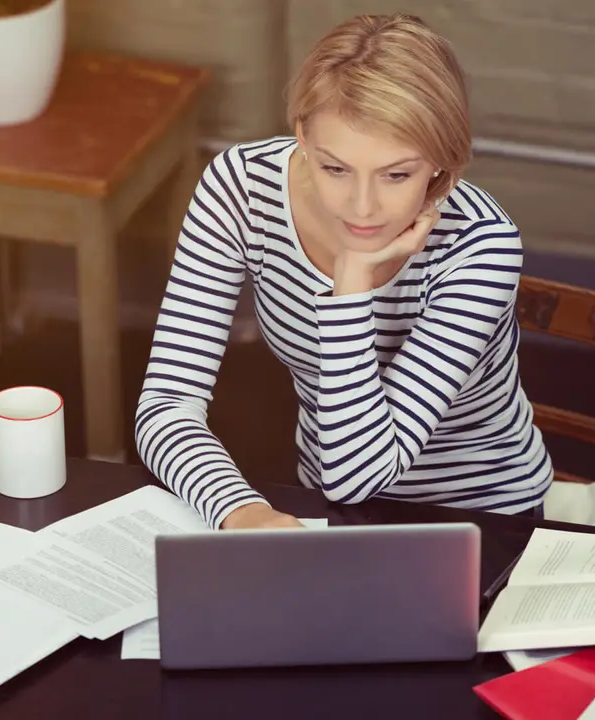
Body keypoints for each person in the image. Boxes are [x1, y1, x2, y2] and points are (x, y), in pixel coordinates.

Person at [134, 13, 552, 530]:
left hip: (481, 517)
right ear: (303, 137)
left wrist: (350, 287)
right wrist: (239, 510)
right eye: (335, 168)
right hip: (326, 498)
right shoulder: (242, 189)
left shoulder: (481, 245)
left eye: (396, 174)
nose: (362, 207)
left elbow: (359, 475)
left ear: (441, 164)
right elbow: (166, 404)